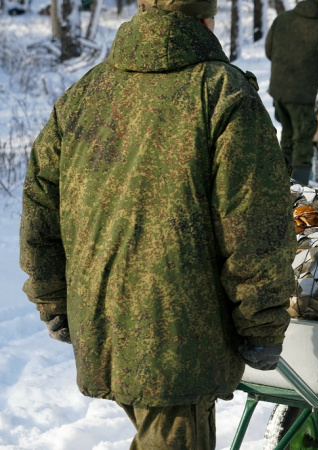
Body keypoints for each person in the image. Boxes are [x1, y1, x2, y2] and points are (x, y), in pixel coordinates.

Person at [19, 0, 296, 447]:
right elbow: (253, 222)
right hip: (181, 332)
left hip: (101, 318)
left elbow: (38, 209)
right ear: (207, 19)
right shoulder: (221, 93)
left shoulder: (85, 93)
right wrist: (262, 323)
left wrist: (52, 297)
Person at [266, 0, 318, 185]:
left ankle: (282, 183)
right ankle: (300, 187)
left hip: (279, 90)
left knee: (288, 132)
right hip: (302, 92)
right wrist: (312, 72)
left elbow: (268, 50)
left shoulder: (282, 19)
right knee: (303, 137)